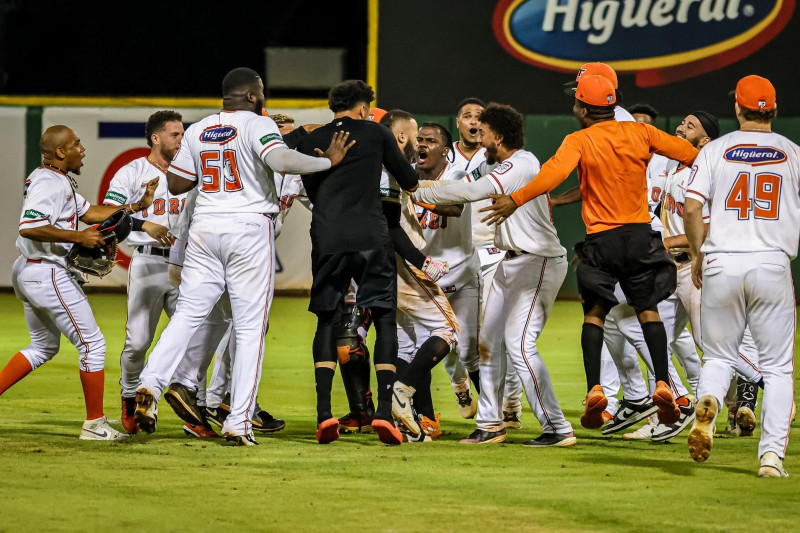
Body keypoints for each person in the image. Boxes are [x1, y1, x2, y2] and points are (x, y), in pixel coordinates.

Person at [133, 67, 352, 446]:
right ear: (252, 95)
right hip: (248, 228)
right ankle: (238, 422)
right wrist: (327, 162)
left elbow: (177, 183)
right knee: (250, 329)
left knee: (188, 315)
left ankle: (151, 383)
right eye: (261, 92)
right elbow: (281, 161)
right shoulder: (256, 123)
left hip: (205, 228)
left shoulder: (199, 129)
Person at [481, 75, 699, 430]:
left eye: (576, 104)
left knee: (595, 315)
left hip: (602, 240)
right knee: (647, 311)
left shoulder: (579, 139)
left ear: (583, 108)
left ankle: (596, 388)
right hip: (640, 235)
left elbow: (551, 175)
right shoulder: (643, 133)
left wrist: (515, 199)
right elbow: (691, 156)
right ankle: (662, 382)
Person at [413, 103, 575, 447]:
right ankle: (490, 424)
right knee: (487, 345)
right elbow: (460, 187)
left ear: (498, 136)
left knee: (519, 344)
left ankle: (558, 428)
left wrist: (414, 188)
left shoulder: (523, 163)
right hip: (510, 262)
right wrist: (421, 187)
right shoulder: (489, 163)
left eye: (483, 130)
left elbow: (470, 193)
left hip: (539, 261)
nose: (477, 134)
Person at [1, 125, 158, 441]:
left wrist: (136, 207)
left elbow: (92, 213)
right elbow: (29, 227)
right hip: (46, 272)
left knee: (43, 346)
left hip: (30, 269)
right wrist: (77, 237)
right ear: (60, 152)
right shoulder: (49, 182)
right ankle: (94, 423)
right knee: (93, 344)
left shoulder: (56, 180)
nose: (82, 148)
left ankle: (95, 421)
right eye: (76, 143)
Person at [685, 75, 799, 477]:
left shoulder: (715, 151)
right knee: (778, 368)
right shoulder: (792, 152)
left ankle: (711, 402)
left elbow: (692, 207)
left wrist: (698, 253)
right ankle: (770, 458)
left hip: (721, 262)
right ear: (774, 110)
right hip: (771, 262)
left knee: (718, 356)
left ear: (737, 107)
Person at [296, 81, 420, 446]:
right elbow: (410, 181)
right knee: (383, 318)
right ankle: (383, 413)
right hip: (370, 236)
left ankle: (323, 414)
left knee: (327, 321)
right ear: (364, 107)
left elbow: (313, 190)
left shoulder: (312, 138)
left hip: (328, 237)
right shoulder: (377, 133)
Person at [104, 110, 187, 435]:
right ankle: (129, 400)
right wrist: (142, 223)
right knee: (138, 341)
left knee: (192, 342)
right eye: (174, 134)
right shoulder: (133, 171)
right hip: (148, 261)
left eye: (182, 134)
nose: (180, 140)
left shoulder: (190, 172)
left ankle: (194, 411)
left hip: (188, 264)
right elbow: (110, 217)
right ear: (155, 138)